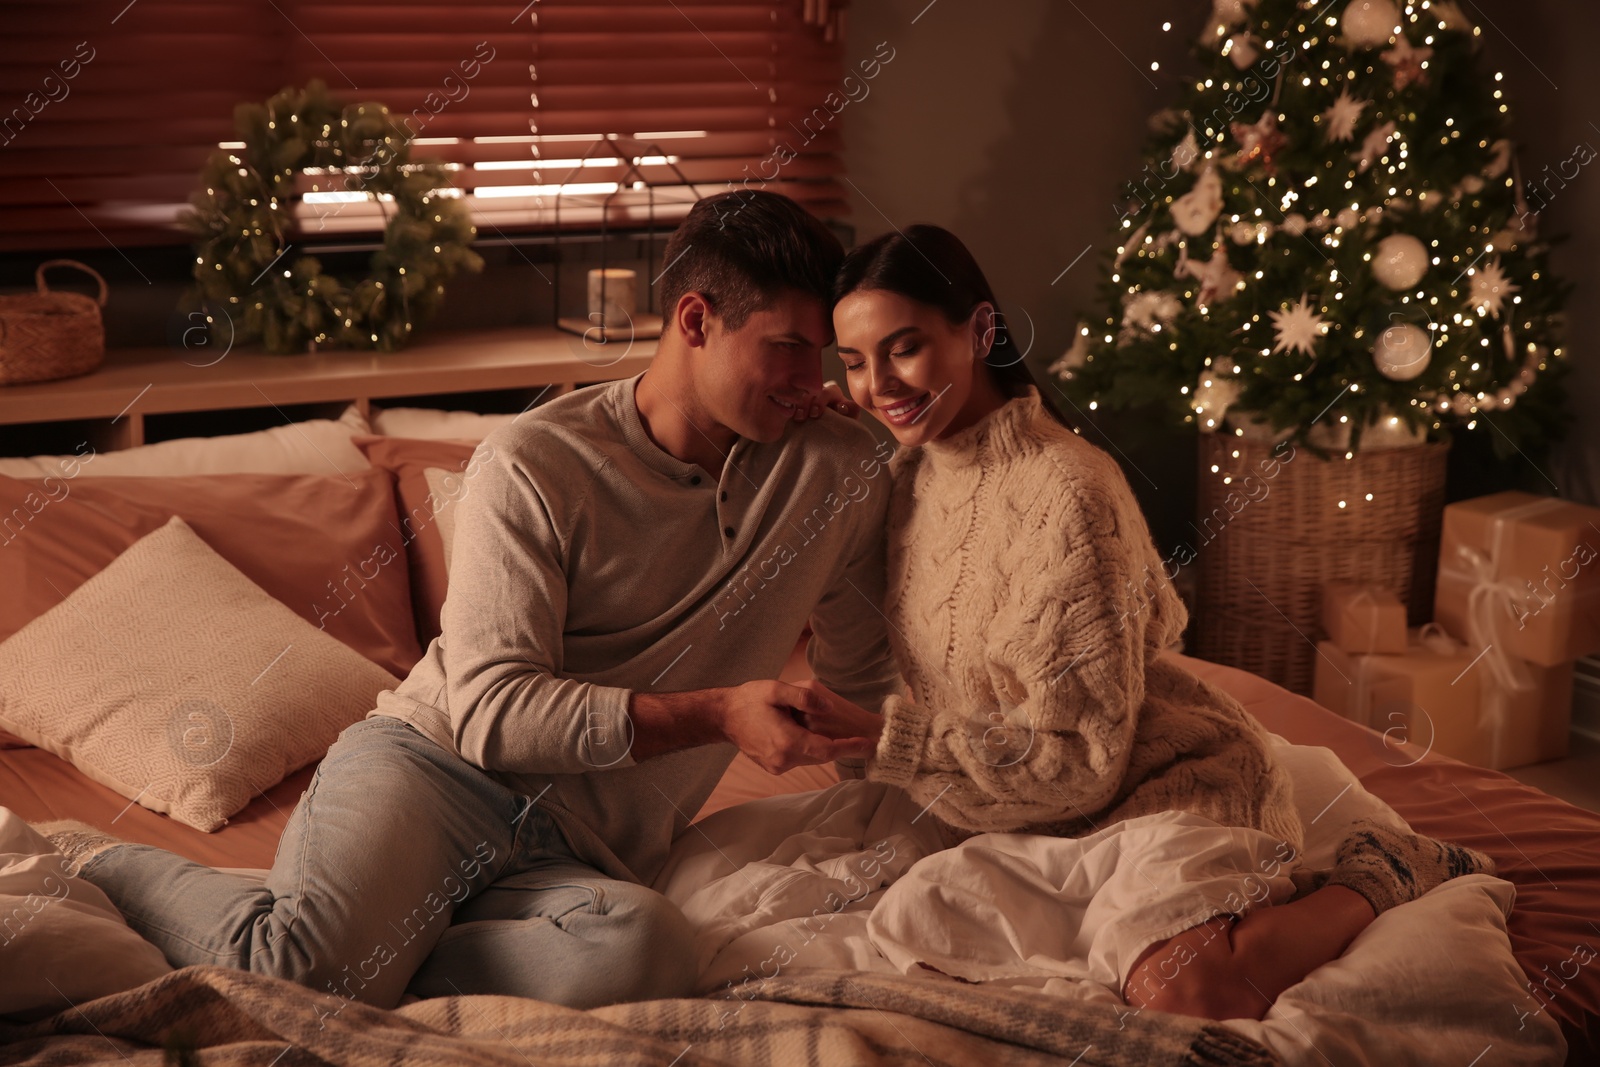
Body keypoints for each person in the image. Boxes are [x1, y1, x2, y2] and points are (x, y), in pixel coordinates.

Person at [40, 190, 896, 1012]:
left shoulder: (837, 466)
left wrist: (889, 817)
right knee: (299, 973)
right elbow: (491, 711)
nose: (807, 378)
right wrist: (718, 711)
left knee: (647, 949)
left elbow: (861, 670)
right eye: (787, 347)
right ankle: (112, 863)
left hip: (582, 851)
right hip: (433, 770)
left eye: (822, 353)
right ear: (698, 320)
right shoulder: (536, 463)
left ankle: (385, 951)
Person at [795, 224, 1495, 1022]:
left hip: (1152, 787)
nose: (878, 383)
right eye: (852, 362)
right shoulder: (906, 473)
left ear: (981, 331)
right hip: (1022, 812)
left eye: (904, 348)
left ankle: (1382, 872)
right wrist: (826, 425)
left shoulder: (1068, 492)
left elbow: (1083, 763)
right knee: (907, 926)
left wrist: (881, 739)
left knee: (1186, 989)